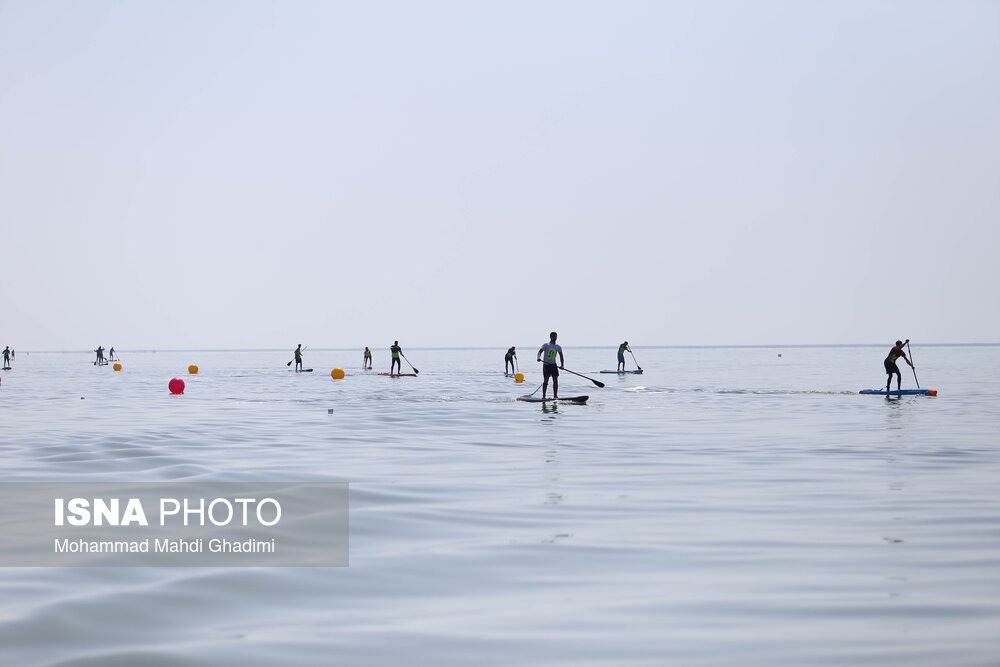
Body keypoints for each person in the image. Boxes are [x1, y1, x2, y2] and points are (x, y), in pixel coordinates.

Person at [536, 332, 564, 400]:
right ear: (550, 337)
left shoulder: (558, 347)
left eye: (556, 336)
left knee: (555, 381)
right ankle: (544, 396)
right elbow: (539, 352)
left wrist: (562, 365)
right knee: (546, 381)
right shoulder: (546, 345)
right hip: (546, 365)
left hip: (554, 365)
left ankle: (555, 396)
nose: (555, 338)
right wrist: (538, 357)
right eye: (553, 336)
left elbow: (561, 356)